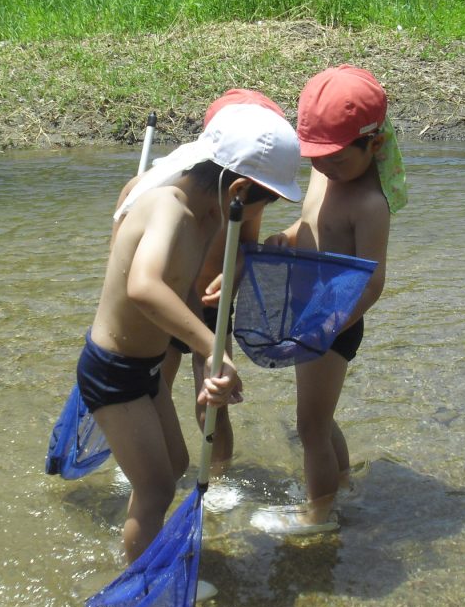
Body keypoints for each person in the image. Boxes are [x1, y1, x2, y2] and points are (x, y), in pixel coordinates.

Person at [79, 103, 302, 564]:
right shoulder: (169, 208)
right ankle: (138, 584)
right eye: (268, 201)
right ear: (238, 188)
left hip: (143, 366)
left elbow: (183, 289)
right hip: (114, 371)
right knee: (157, 488)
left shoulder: (206, 214)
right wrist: (211, 350)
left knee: (176, 465)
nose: (265, 211)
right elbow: (143, 287)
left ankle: (141, 545)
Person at [257, 65, 407, 533]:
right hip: (311, 313)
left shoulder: (369, 204)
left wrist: (328, 325)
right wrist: (287, 236)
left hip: (336, 320)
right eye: (316, 158)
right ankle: (340, 482)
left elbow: (373, 280)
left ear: (374, 146)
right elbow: (312, 226)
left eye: (337, 160)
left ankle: (317, 514)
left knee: (310, 427)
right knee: (320, 418)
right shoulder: (327, 176)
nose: (324, 168)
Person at [112, 89, 287, 470]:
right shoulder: (158, 194)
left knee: (212, 400)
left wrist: (233, 274)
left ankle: (218, 473)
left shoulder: (241, 201)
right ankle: (145, 462)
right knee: (156, 389)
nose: (263, 209)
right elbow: (125, 273)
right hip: (162, 310)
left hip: (210, 307)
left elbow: (246, 248)